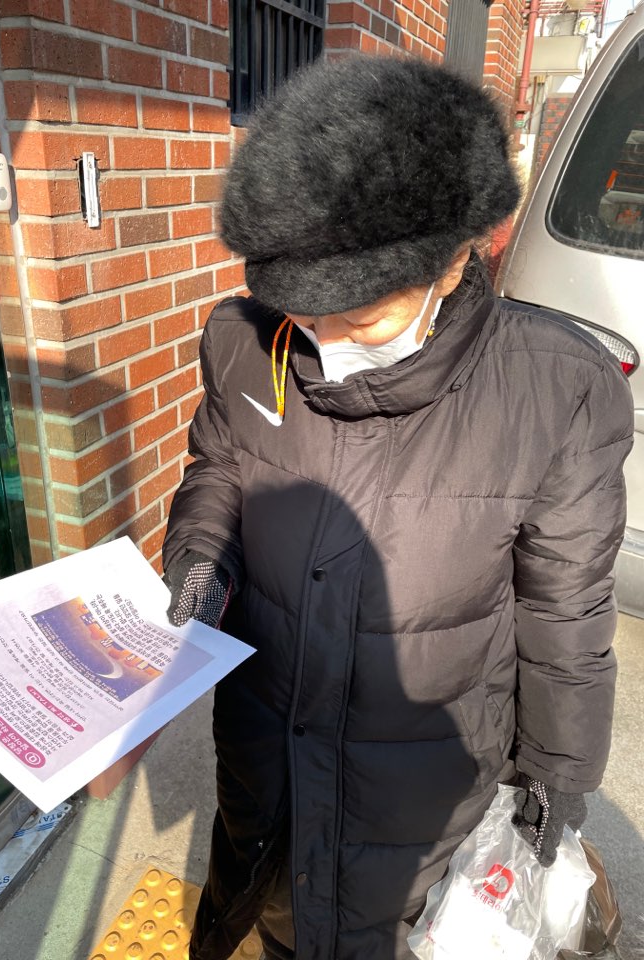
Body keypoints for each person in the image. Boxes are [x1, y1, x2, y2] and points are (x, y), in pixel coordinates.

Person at [161, 55, 633, 960]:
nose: (325, 337)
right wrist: (200, 562)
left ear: (455, 260)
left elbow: (565, 608)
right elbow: (218, 468)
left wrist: (557, 774)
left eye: (361, 313)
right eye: (304, 309)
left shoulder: (556, 391)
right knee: (278, 913)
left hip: (422, 788)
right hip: (267, 746)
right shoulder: (244, 343)